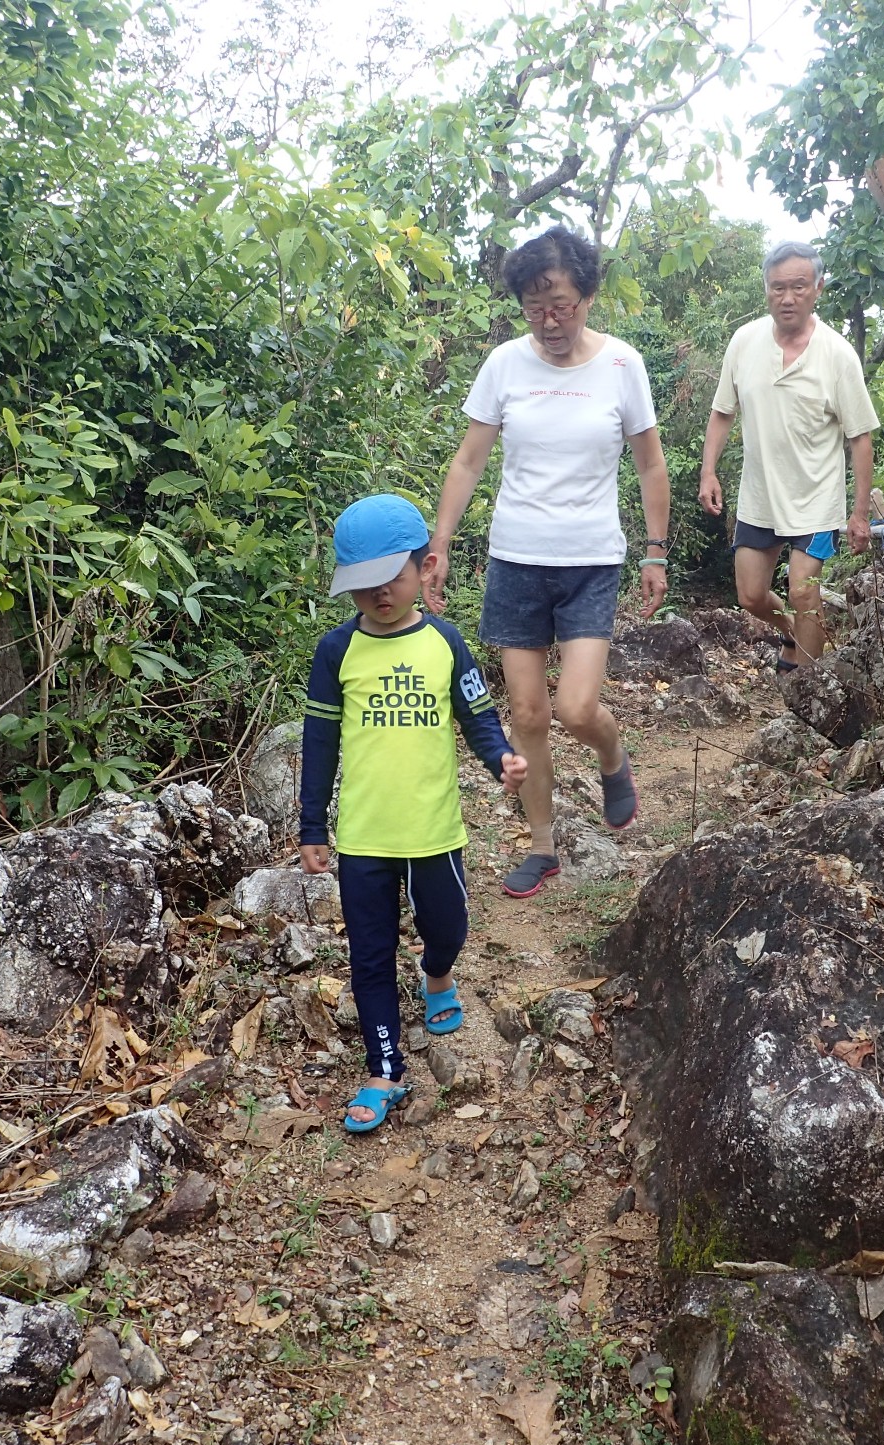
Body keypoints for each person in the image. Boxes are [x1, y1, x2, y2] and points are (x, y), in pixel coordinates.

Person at [425, 226, 670, 899]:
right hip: (515, 559)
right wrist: (439, 543)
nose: (550, 320)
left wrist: (656, 550)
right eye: (535, 306)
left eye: (561, 303)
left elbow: (650, 463)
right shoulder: (505, 364)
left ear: (588, 294)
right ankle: (543, 845)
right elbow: (469, 459)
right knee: (528, 714)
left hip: (591, 558)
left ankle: (612, 757)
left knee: (575, 706)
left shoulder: (622, 365)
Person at [299, 493, 527, 1133]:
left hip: (435, 832)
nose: (378, 596)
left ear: (425, 567)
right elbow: (320, 745)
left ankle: (437, 974)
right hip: (366, 837)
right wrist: (312, 825)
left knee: (447, 928)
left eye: (391, 580)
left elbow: (479, 718)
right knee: (368, 956)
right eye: (362, 587)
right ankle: (385, 1069)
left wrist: (502, 759)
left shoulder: (445, 643)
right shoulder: (334, 652)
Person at [698, 240, 880, 668]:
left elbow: (860, 438)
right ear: (766, 289)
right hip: (760, 495)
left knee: (803, 591)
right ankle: (795, 636)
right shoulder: (745, 342)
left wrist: (859, 515)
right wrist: (708, 472)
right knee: (751, 595)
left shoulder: (837, 355)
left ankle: (807, 688)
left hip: (816, 499)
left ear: (818, 287)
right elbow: (723, 412)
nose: (788, 297)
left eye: (799, 286)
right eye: (778, 287)